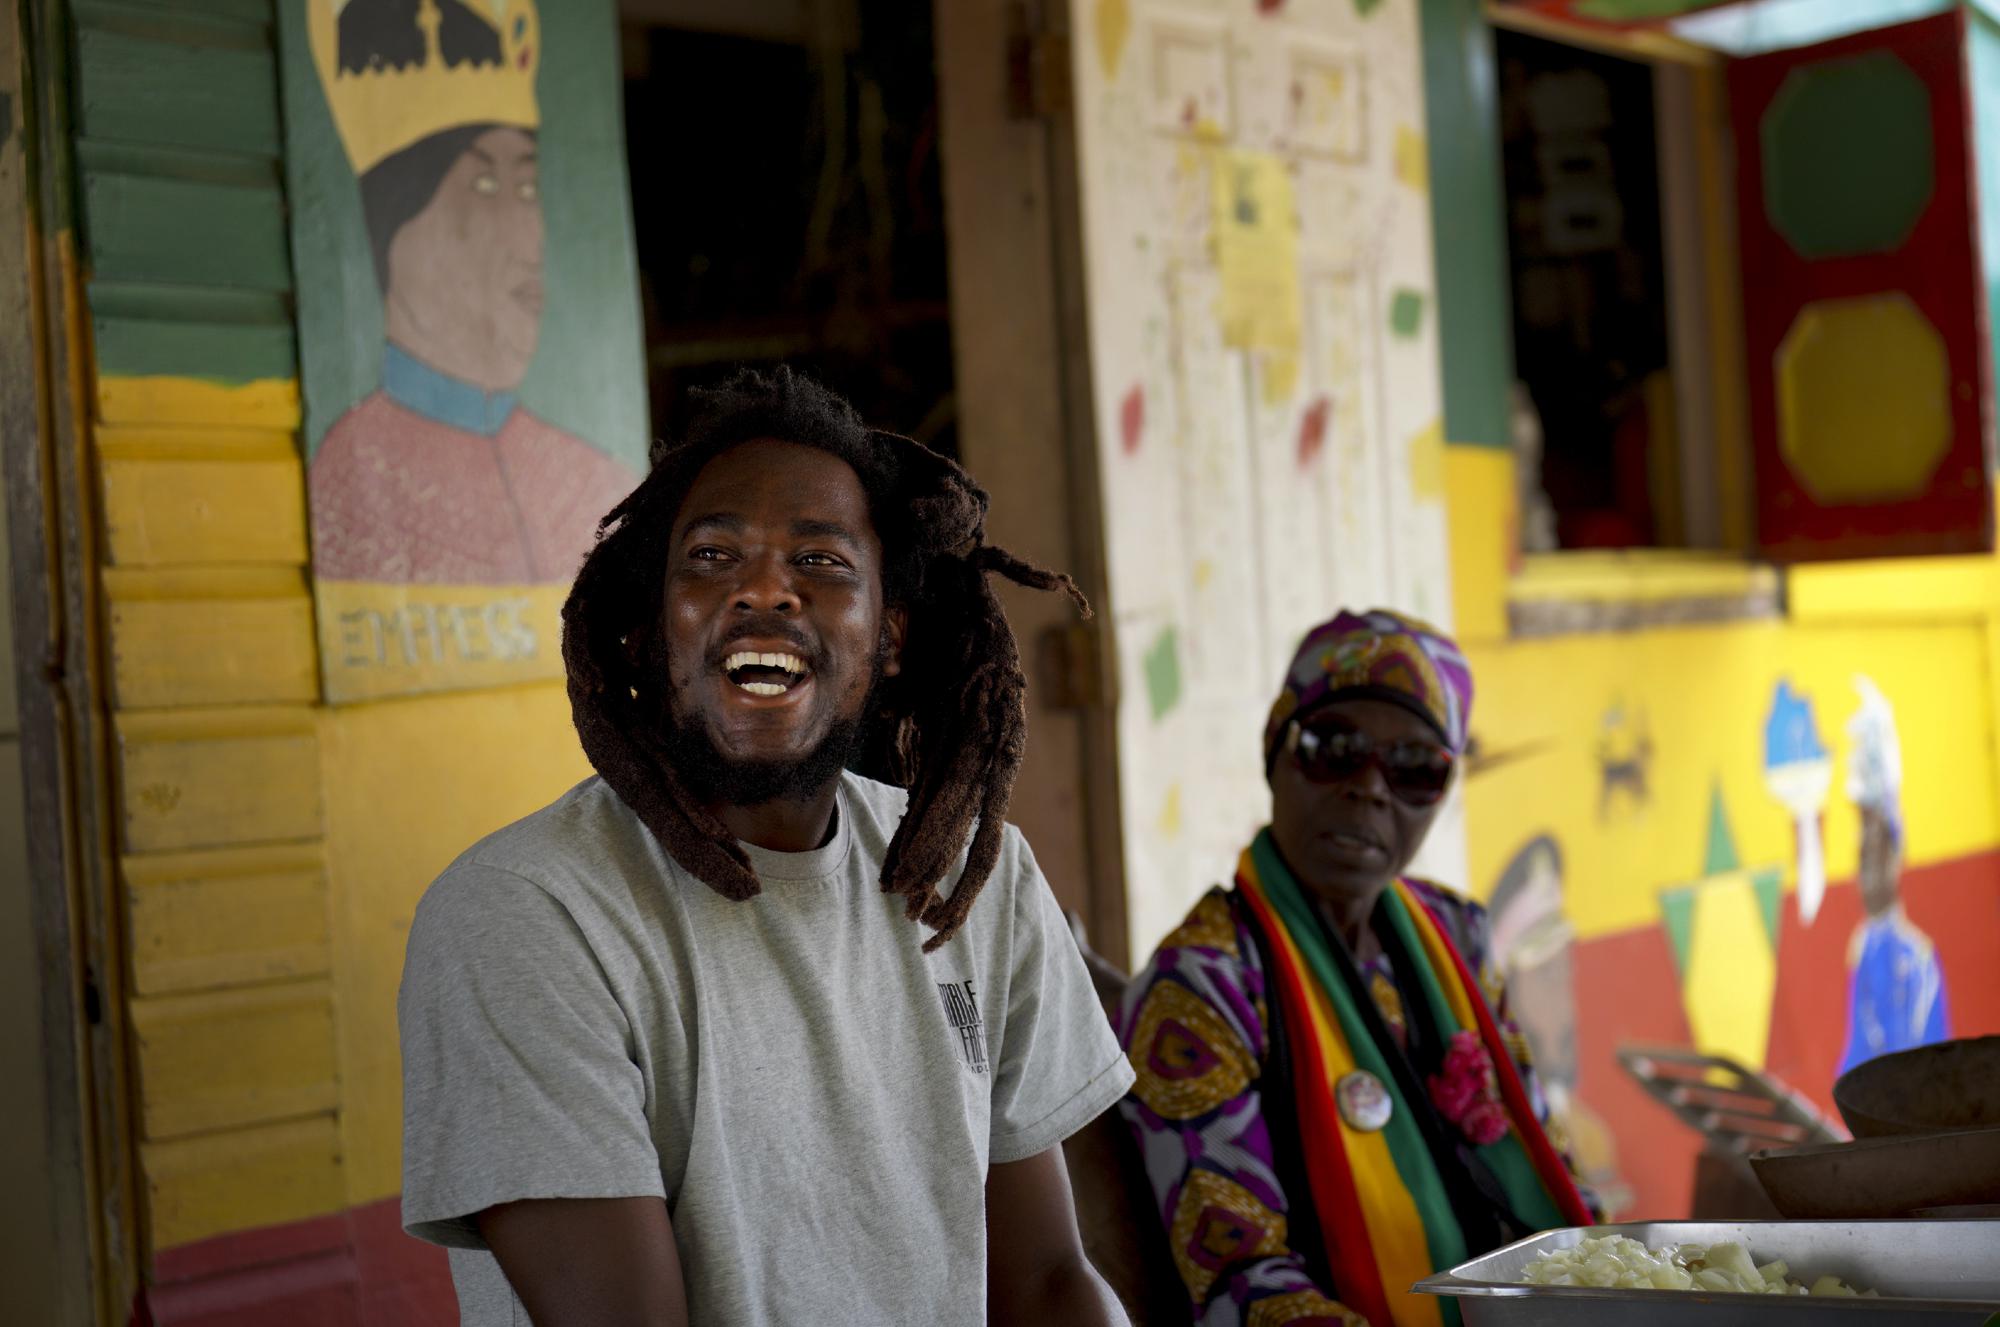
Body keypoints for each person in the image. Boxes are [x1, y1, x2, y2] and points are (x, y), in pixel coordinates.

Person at [397, 369, 1136, 1325]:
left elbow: (1046, 1282)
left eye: (821, 561)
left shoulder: (973, 885)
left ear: (892, 636)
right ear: (652, 633)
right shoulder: (524, 914)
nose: (762, 589)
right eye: (711, 556)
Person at [1118, 610, 1593, 1326]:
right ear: (1275, 751)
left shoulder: (1457, 936)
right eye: (1335, 748)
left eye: (1414, 768)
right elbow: (1239, 1281)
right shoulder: (1202, 987)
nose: (1370, 787)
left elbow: (1537, 1157)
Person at [310, 0, 634, 585]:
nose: (528, 236)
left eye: (527, 188)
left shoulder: (593, 481)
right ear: (396, 224)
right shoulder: (349, 478)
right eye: (484, 184)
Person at [1838, 676, 1950, 1076]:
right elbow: (1855, 1056)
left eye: (1876, 855)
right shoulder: (1863, 947)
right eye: (1860, 857)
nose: (1865, 873)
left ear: (1895, 860)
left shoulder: (1915, 959)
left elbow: (1923, 1069)